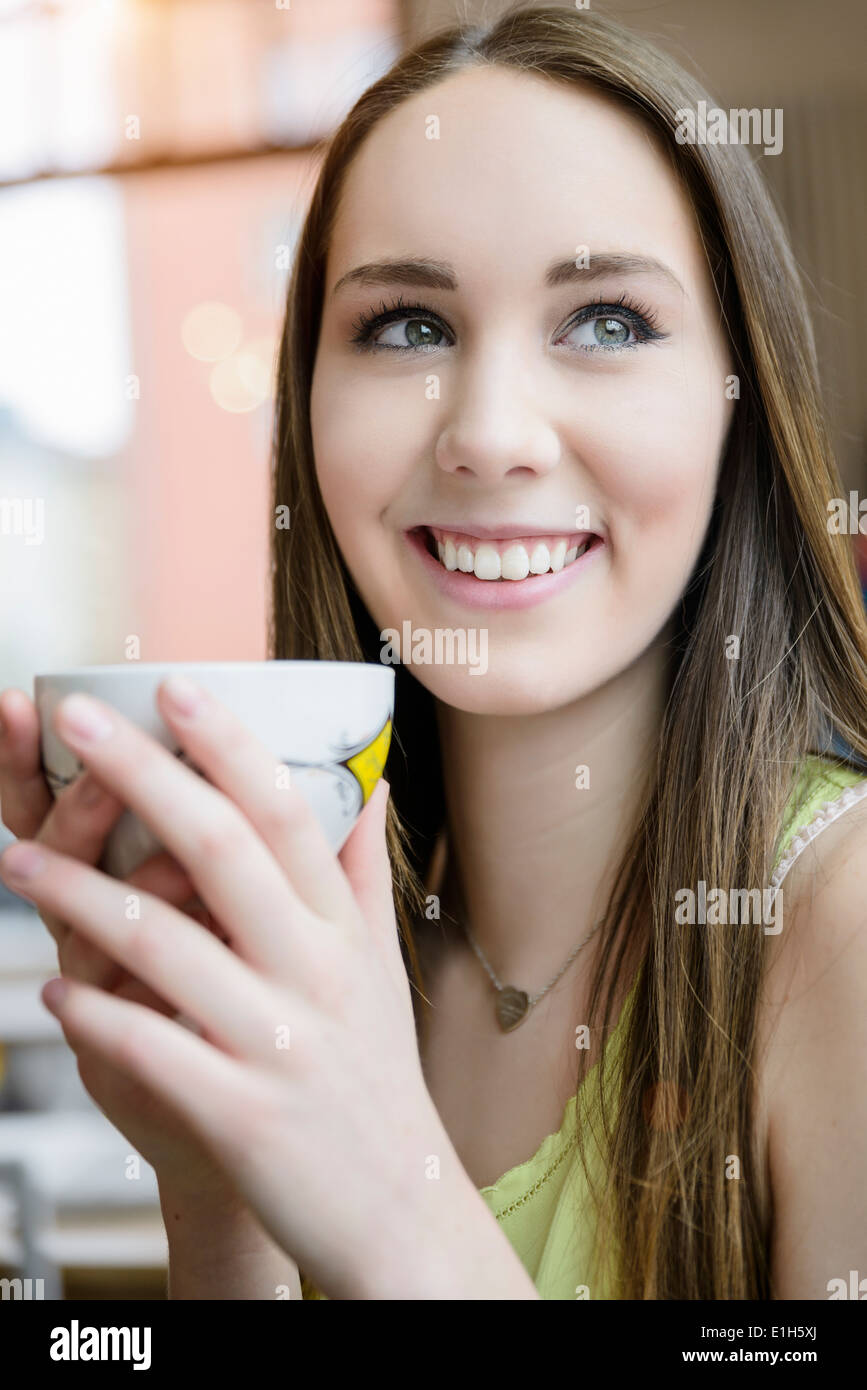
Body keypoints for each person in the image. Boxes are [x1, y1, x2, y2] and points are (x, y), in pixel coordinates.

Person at [2, 5, 866, 1300]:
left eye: (609, 321)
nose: (490, 432)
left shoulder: (842, 934)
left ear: (738, 409)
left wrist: (394, 1204)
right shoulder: (353, 946)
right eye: (408, 325)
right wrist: (219, 1195)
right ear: (307, 408)